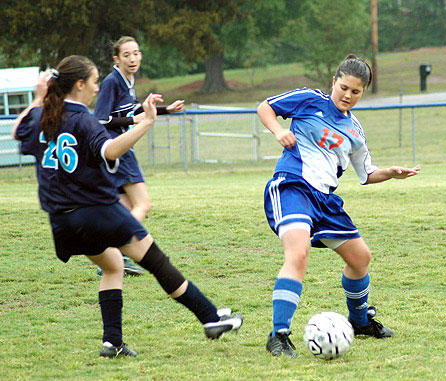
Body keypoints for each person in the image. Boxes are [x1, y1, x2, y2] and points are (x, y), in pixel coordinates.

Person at [12, 55, 243, 358]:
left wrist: (37, 98)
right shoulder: (83, 119)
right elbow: (110, 149)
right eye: (94, 82)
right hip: (98, 211)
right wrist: (146, 122)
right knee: (158, 262)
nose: (97, 89)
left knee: (113, 266)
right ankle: (211, 318)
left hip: (62, 222)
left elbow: (18, 131)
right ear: (79, 84)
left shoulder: (43, 117)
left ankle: (113, 342)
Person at [257, 54, 420, 358]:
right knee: (298, 253)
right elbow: (265, 107)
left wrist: (390, 173)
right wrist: (279, 131)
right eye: (343, 87)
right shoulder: (309, 99)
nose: (347, 95)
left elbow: (366, 173)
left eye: (355, 92)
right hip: (293, 186)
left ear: (363, 92)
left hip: (326, 200)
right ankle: (278, 335)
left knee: (360, 258)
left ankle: (359, 323)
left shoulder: (355, 131)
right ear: (334, 81)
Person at [94, 36, 184, 276]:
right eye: (126, 55)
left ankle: (111, 258)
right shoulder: (112, 82)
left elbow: (132, 110)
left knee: (124, 209)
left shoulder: (128, 80)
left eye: (136, 53)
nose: (132, 58)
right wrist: (134, 120)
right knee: (143, 204)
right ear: (116, 58)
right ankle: (119, 253)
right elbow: (101, 119)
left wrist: (166, 109)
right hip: (117, 149)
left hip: (119, 150)